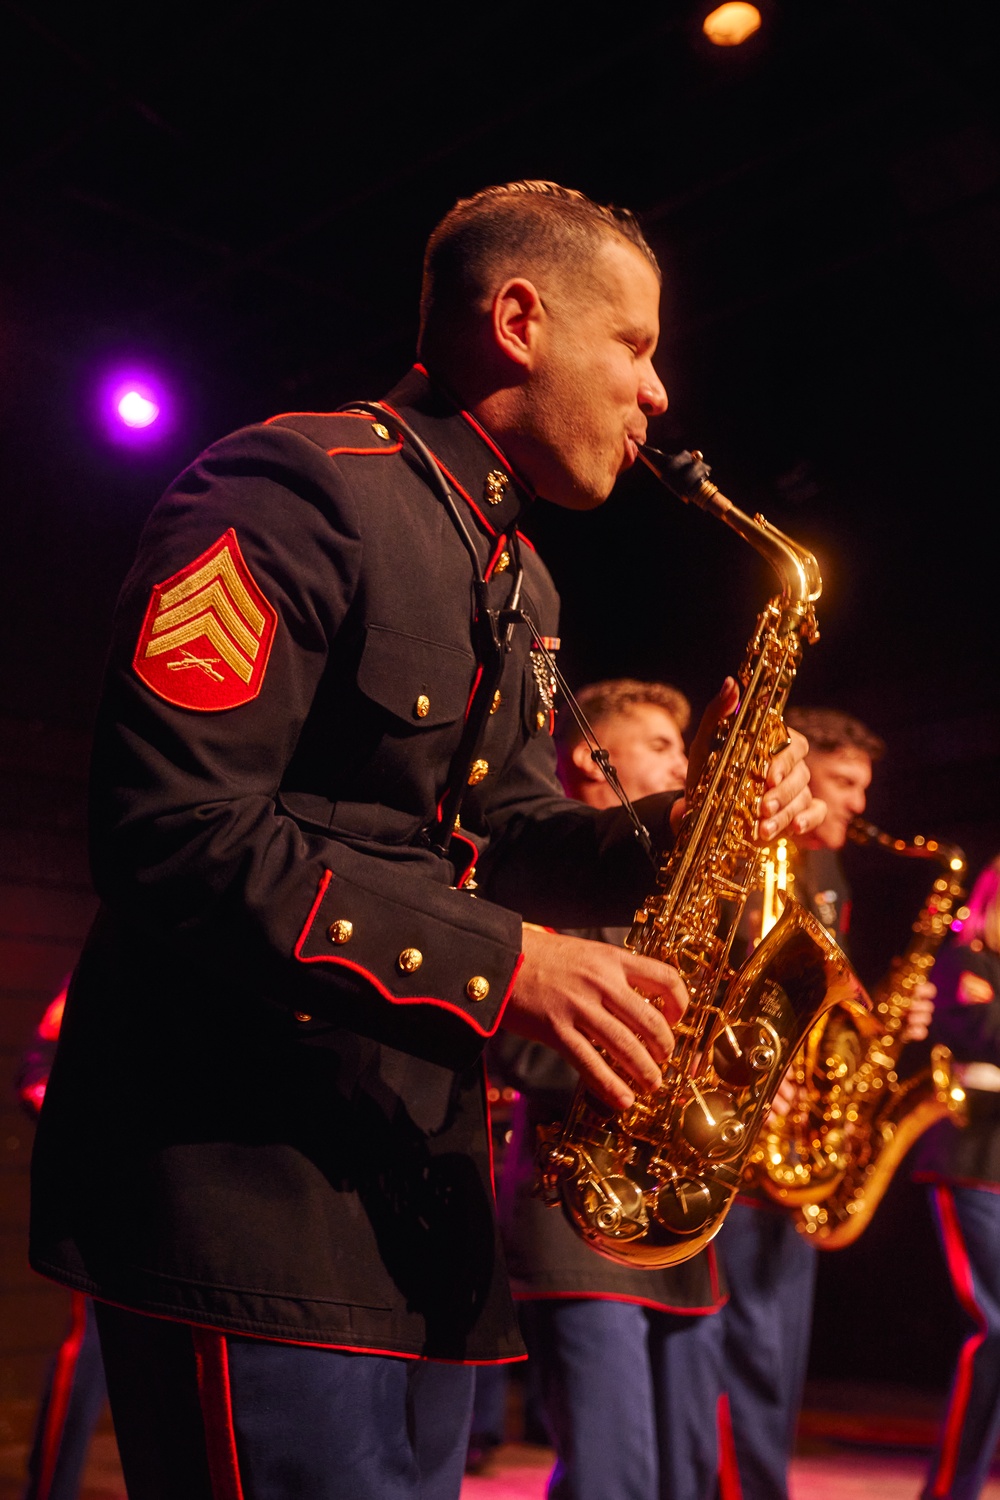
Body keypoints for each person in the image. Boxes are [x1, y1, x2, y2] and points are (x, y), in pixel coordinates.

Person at [28, 180, 819, 1500]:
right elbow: (173, 829)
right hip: (246, 1184)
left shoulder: (515, 572)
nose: (659, 392)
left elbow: (505, 832)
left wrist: (687, 821)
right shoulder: (291, 488)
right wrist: (510, 963)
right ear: (520, 318)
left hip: (408, 1200)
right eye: (634, 344)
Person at [494, 677, 729, 1500]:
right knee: (614, 1480)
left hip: (675, 1220)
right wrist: (666, 1073)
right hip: (578, 1215)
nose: (682, 760)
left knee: (689, 1475)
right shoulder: (528, 879)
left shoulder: (674, 891)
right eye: (663, 745)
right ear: (596, 760)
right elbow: (518, 1052)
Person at [714, 706, 934, 1500]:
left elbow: (823, 1004)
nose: (857, 803)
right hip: (741, 1138)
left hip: (797, 1143)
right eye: (843, 782)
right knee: (738, 1356)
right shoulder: (763, 853)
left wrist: (880, 1018)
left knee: (775, 1359)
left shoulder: (829, 874)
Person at [912, 856, 1000, 1500]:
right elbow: (983, 1032)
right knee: (996, 1326)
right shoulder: (963, 966)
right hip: (969, 1165)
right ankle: (953, 1490)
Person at [18, 981, 108, 1500]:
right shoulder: (101, 969)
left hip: (193, 1200)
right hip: (108, 1193)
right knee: (90, 1345)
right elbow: (35, 1071)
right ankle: (51, 1490)